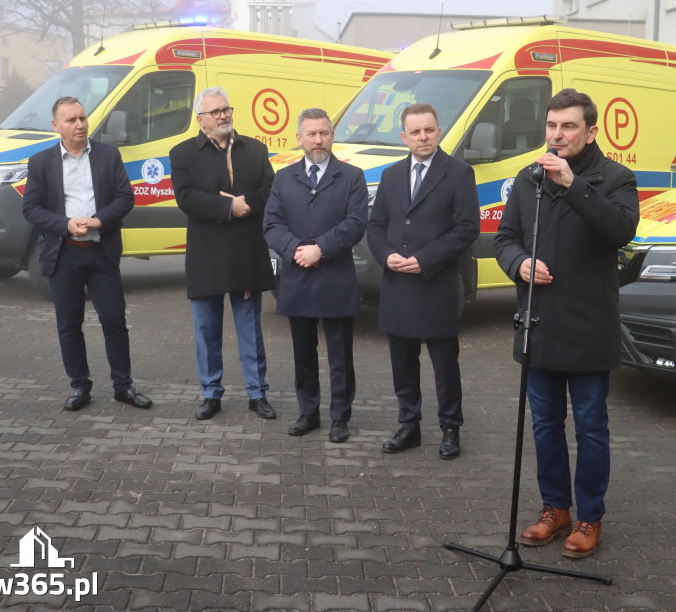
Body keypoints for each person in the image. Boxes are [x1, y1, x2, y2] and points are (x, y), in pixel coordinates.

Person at [494, 88, 639, 558]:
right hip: (539, 323)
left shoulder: (616, 178)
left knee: (591, 427)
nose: (557, 135)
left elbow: (620, 230)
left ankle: (589, 517)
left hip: (588, 326)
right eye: (552, 126)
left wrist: (573, 184)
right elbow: (505, 238)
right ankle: (555, 508)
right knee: (545, 424)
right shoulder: (528, 178)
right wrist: (518, 263)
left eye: (569, 126)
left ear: (591, 132)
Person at [22, 96, 152, 412]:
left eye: (82, 118)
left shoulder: (108, 155)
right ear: (56, 126)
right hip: (64, 254)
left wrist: (99, 220)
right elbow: (31, 208)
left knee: (114, 320)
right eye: (71, 120)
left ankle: (123, 386)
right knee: (69, 324)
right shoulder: (40, 162)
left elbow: (125, 197)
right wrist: (65, 225)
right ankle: (80, 386)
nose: (79, 125)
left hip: (101, 253)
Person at [367, 103, 480, 460]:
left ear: (439, 132)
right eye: (415, 132)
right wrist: (385, 255)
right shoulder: (391, 175)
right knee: (402, 362)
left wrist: (426, 259)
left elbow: (467, 228)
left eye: (429, 130)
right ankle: (409, 425)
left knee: (445, 364)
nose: (423, 137)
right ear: (404, 137)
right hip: (398, 284)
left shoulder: (459, 173)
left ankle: (451, 428)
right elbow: (376, 225)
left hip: (437, 284)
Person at [170, 87, 276, 421]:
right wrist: (228, 207)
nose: (223, 116)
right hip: (207, 255)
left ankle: (257, 394)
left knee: (250, 329)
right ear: (200, 119)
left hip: (246, 252)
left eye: (226, 109)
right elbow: (187, 198)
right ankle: (211, 394)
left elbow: (270, 191)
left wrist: (246, 204)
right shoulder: (182, 153)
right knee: (206, 330)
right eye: (215, 112)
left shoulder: (255, 149)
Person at [263, 108, 368, 442]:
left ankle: (340, 417)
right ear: (299, 138)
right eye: (311, 134)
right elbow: (271, 224)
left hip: (336, 278)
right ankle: (308, 412)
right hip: (298, 278)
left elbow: (355, 223)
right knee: (303, 353)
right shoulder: (283, 178)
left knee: (340, 356)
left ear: (332, 136)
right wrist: (296, 249)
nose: (318, 140)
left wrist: (320, 249)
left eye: (324, 133)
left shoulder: (352, 176)